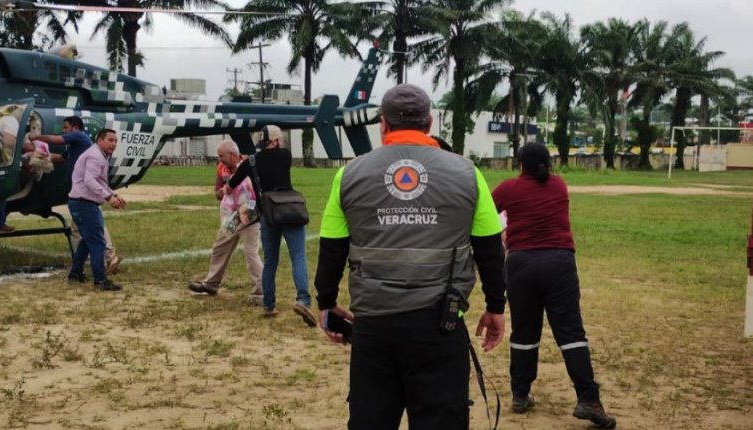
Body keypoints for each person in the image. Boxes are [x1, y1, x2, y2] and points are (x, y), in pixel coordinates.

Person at [314, 83, 507, 430]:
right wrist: (496, 307)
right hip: (440, 326)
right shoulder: (468, 174)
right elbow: (491, 249)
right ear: (429, 123)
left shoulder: (348, 176)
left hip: (374, 327)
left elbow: (332, 248)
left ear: (382, 124)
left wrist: (326, 303)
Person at [491, 142, 617, 429]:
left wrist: (501, 234)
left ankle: (520, 395)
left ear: (520, 164)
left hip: (520, 264)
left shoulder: (508, 188)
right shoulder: (559, 186)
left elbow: (486, 212)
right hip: (559, 262)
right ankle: (588, 398)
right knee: (571, 332)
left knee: (524, 332)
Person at [224, 125, 317, 327]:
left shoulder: (251, 162)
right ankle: (303, 300)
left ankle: (268, 304)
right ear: (275, 141)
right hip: (291, 211)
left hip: (268, 214)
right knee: (298, 256)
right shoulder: (285, 156)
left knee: (270, 261)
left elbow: (231, 185)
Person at [32, 116, 123, 274]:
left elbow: (57, 139)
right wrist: (36, 153)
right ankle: (80, 269)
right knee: (82, 231)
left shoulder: (80, 136)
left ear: (74, 128)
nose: (64, 131)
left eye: (66, 128)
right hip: (81, 194)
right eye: (111, 140)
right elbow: (60, 158)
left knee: (93, 231)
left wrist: (35, 137)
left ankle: (107, 258)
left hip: (85, 195)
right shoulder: (83, 149)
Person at [188, 139, 263, 300]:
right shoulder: (221, 169)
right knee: (220, 247)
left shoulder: (249, 164)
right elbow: (216, 192)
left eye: (221, 155)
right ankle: (211, 284)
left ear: (232, 154)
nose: (219, 159)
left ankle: (260, 290)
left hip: (250, 214)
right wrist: (221, 192)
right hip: (231, 217)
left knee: (251, 253)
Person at [67, 129, 126, 291]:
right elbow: (90, 180)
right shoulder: (95, 156)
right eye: (110, 140)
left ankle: (75, 273)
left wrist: (113, 194)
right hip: (84, 203)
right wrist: (109, 198)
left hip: (81, 202)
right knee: (98, 242)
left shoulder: (98, 155)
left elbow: (99, 181)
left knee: (87, 240)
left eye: (115, 141)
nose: (113, 144)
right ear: (100, 140)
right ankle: (100, 280)